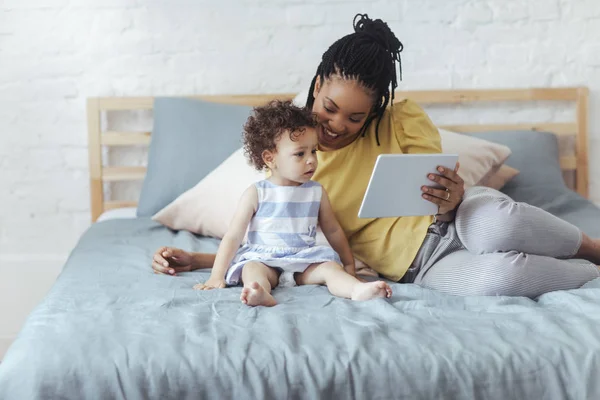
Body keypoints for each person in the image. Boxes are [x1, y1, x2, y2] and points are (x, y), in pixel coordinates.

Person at [152, 14, 600, 298]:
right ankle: (584, 272)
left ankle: (594, 248)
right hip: (420, 266)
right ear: (316, 85)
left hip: (460, 218)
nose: (336, 124)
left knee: (497, 226)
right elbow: (273, 247)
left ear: (375, 111)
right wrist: (197, 261)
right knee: (499, 280)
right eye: (329, 108)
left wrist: (451, 196)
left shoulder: (400, 120)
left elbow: (440, 185)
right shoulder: (296, 159)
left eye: (355, 117)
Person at [191, 100, 392, 306]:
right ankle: (260, 293)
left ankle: (356, 289)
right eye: (300, 154)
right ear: (270, 158)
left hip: (304, 262)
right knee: (251, 269)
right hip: (265, 260)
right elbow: (233, 236)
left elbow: (333, 231)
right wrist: (216, 275)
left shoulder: (316, 192)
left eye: (314, 151)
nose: (311, 160)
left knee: (331, 269)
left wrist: (348, 266)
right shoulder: (257, 193)